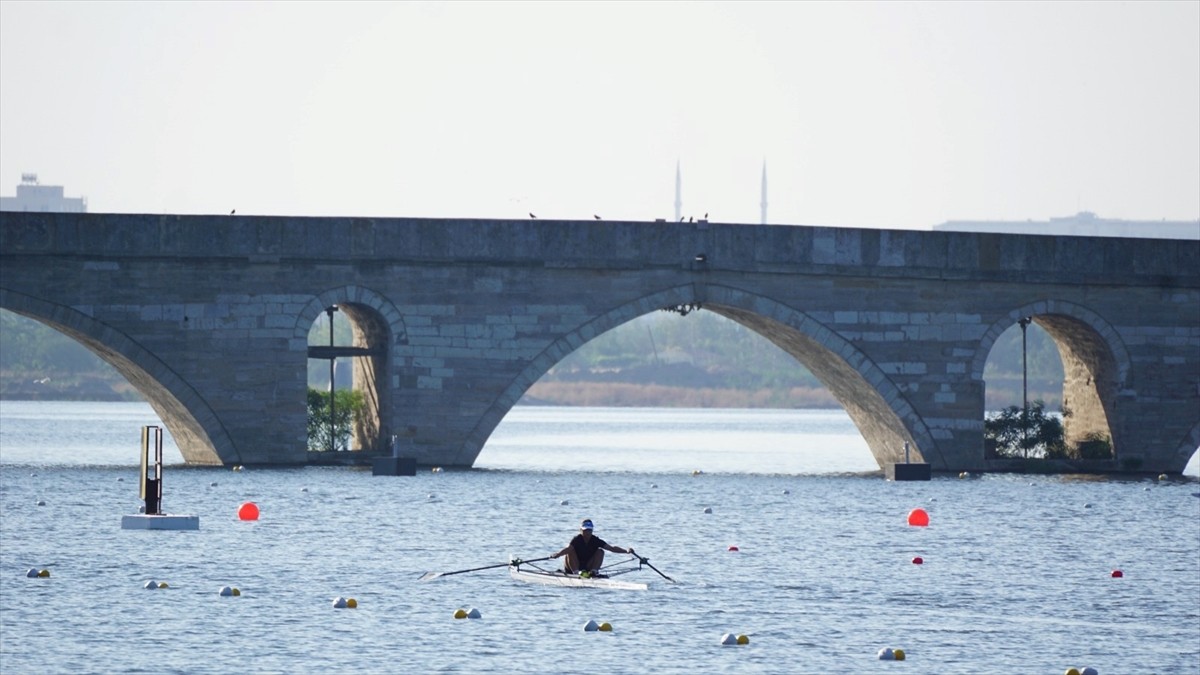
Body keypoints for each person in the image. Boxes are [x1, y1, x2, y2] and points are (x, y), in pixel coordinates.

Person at [551, 519, 631, 576]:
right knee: (570, 551)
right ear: (580, 530)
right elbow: (567, 549)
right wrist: (558, 554)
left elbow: (612, 548)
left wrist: (626, 551)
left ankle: (593, 572)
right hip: (573, 567)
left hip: (587, 567)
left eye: (589, 530)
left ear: (592, 530)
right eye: (585, 530)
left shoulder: (595, 540)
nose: (587, 532)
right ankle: (576, 573)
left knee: (600, 551)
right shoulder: (576, 539)